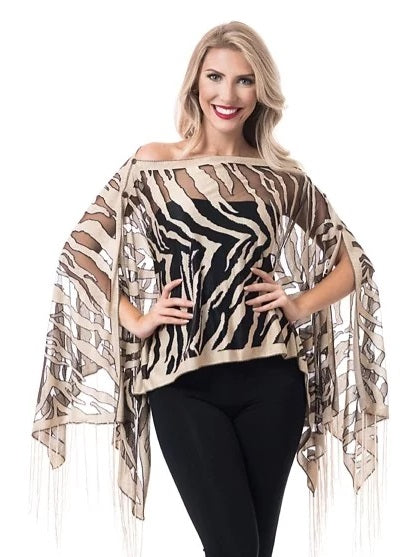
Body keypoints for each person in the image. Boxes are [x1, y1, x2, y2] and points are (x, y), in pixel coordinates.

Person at [30, 20, 389, 557]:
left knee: (252, 550)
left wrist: (298, 305)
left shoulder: (279, 176)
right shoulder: (153, 164)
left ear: (260, 91)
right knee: (234, 547)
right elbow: (81, 250)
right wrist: (135, 318)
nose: (228, 94)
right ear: (195, 83)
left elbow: (353, 262)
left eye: (244, 80)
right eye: (215, 77)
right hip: (181, 382)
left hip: (273, 383)